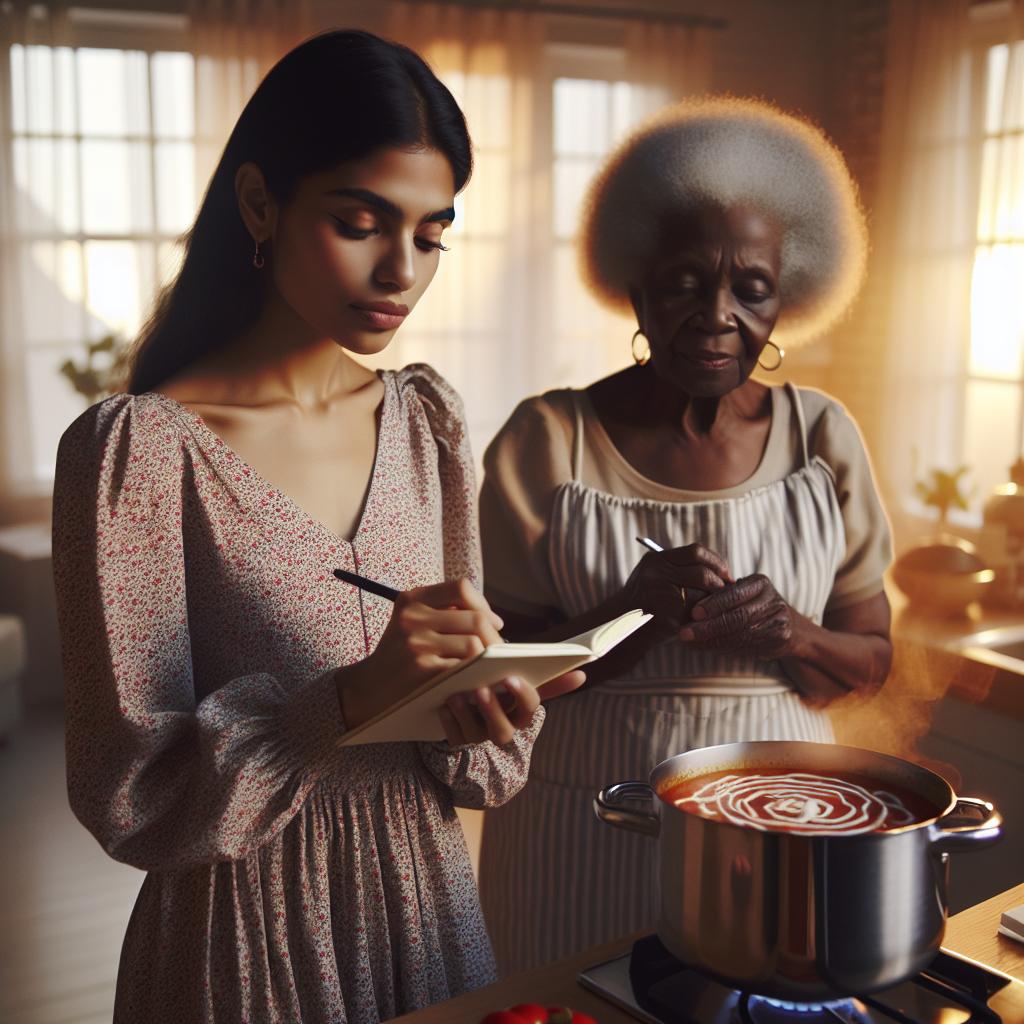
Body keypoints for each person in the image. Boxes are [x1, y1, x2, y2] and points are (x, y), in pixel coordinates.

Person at [51, 29, 581, 1023]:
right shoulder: (141, 452)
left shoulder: (426, 421)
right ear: (260, 204)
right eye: (360, 223)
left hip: (424, 906)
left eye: (430, 236)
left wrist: (484, 701)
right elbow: (130, 791)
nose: (400, 271)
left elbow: (477, 763)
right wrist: (347, 699)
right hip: (243, 935)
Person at [476, 97, 893, 973]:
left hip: (778, 827)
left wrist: (792, 633)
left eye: (752, 288)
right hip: (578, 824)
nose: (717, 314)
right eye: (683, 283)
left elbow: (870, 661)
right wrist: (629, 612)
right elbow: (498, 680)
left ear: (786, 298)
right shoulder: (548, 438)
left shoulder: (822, 437)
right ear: (634, 287)